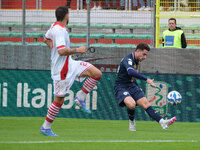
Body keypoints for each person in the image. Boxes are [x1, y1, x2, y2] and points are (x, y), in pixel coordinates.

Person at [40, 6, 102, 136]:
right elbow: (62, 51)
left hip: (70, 64)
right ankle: (46, 127)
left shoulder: (54, 26)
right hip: (61, 70)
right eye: (69, 13)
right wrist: (77, 50)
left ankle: (80, 97)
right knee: (59, 100)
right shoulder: (59, 30)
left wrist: (53, 47)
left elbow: (45, 39)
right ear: (66, 16)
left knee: (96, 73)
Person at [114, 42, 176, 131]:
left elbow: (132, 77)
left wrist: (137, 88)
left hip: (132, 85)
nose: (145, 57)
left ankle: (162, 122)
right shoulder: (128, 60)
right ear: (138, 51)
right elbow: (130, 72)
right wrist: (147, 79)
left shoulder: (137, 61)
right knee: (131, 104)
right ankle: (132, 122)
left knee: (146, 104)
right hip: (121, 86)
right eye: (144, 54)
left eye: (146, 55)